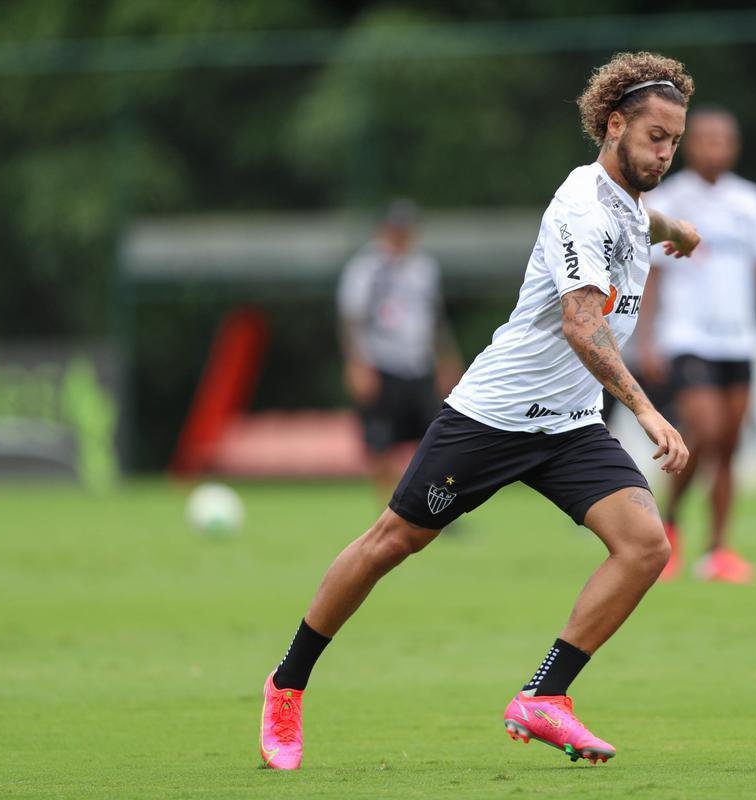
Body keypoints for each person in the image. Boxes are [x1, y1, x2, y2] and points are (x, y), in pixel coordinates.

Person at [260, 51, 704, 770]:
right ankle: (286, 683)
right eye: (656, 136)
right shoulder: (579, 205)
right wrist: (650, 413)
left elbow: (637, 221)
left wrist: (674, 230)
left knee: (647, 546)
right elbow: (582, 326)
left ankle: (544, 698)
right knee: (391, 544)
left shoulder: (624, 202)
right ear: (614, 125)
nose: (666, 150)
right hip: (492, 416)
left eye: (674, 140)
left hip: (566, 426)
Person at [637, 106, 756, 584]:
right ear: (689, 145)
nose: (715, 147)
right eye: (706, 138)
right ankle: (668, 530)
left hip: (740, 338)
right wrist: (647, 338)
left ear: (734, 147)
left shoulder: (752, 202)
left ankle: (718, 551)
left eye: (724, 139)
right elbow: (652, 274)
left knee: (730, 446)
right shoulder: (670, 199)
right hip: (688, 336)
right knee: (705, 434)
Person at [336, 199, 463, 497]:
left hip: (418, 364)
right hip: (382, 363)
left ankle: (434, 504)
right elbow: (352, 318)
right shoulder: (366, 267)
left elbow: (435, 317)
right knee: (380, 444)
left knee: (437, 438)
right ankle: (391, 508)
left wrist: (446, 360)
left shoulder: (423, 267)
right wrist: (357, 364)